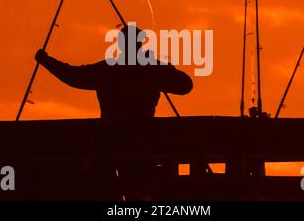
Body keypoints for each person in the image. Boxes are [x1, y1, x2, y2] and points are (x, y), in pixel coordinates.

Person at [34, 24, 193, 200]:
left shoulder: (108, 69)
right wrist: (164, 68)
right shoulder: (152, 69)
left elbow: (73, 75)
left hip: (109, 143)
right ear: (141, 44)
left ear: (120, 45)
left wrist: (46, 61)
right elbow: (186, 85)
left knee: (108, 187)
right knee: (137, 191)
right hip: (142, 143)